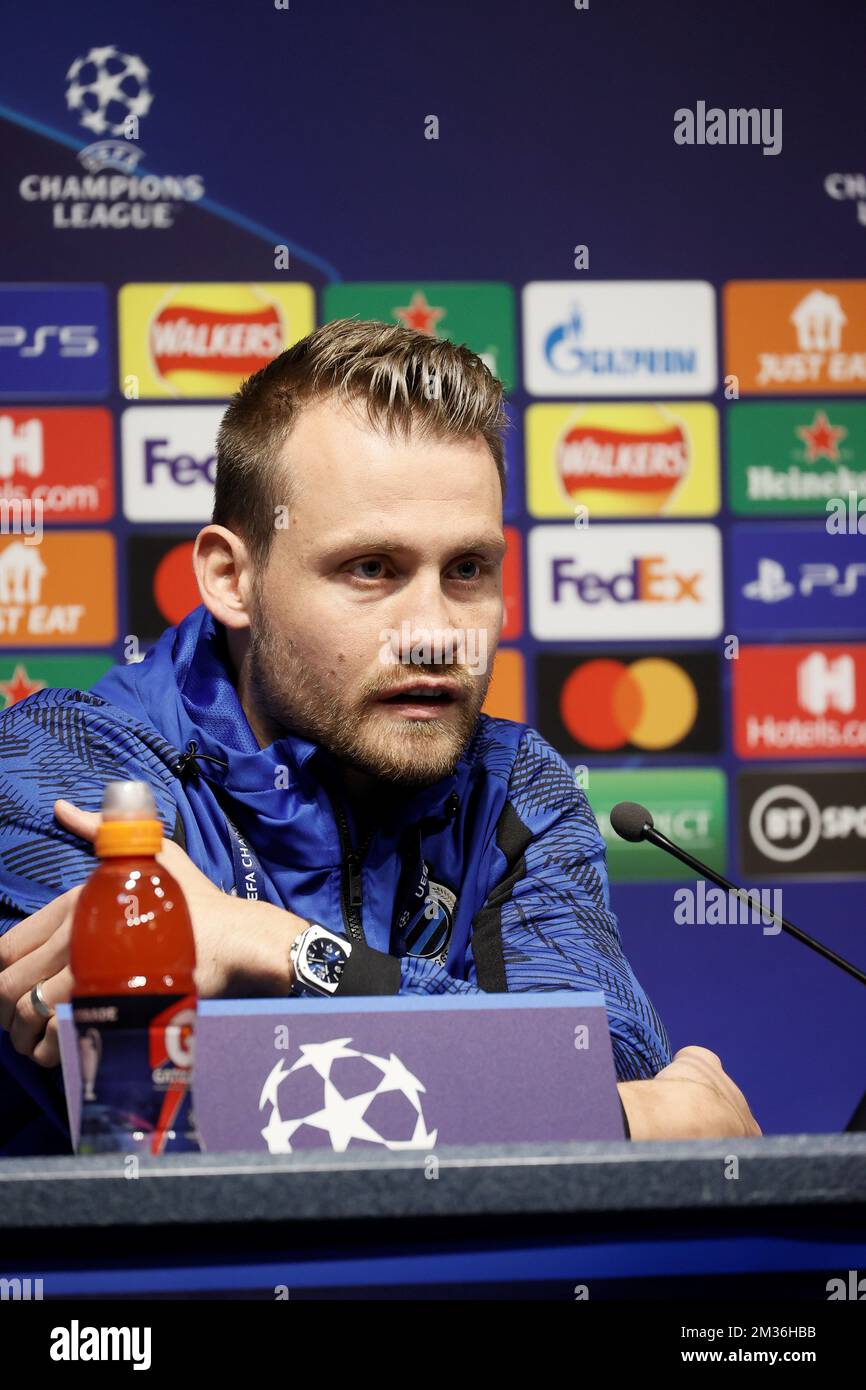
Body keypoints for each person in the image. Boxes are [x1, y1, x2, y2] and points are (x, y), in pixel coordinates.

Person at [0, 318, 760, 1153]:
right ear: (231, 577)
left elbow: (596, 1069)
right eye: (372, 569)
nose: (435, 634)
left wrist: (277, 949)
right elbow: (154, 1118)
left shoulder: (514, 786)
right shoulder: (62, 768)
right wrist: (594, 1109)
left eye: (466, 569)